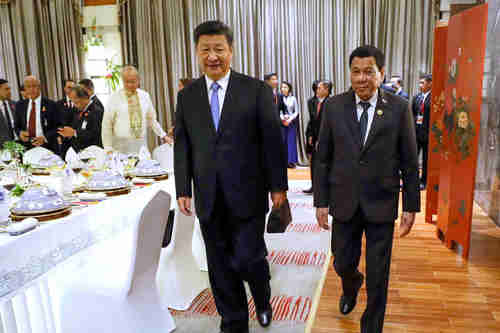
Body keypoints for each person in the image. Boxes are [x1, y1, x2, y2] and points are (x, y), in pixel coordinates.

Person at [174, 20, 287, 333]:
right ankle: (233, 321)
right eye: (205, 50)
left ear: (231, 51)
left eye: (219, 49)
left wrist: (278, 186)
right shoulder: (188, 96)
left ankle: (262, 300)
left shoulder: (256, 90)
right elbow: (182, 145)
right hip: (209, 195)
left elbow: (272, 141)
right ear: (197, 53)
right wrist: (183, 187)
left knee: (249, 259)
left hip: (248, 193)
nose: (213, 56)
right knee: (220, 265)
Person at [314, 45, 420, 333]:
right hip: (344, 201)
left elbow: (410, 161)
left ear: (381, 74)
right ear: (350, 73)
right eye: (356, 72)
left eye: (369, 72)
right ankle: (350, 284)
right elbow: (322, 158)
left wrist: (411, 205)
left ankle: (371, 327)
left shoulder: (399, 108)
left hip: (381, 202)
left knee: (378, 274)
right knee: (342, 262)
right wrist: (321, 202)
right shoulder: (334, 107)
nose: (362, 78)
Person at [101, 65, 168, 153]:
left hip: (140, 144)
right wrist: (108, 147)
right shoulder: (114, 98)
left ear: (138, 80)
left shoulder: (145, 96)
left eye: (133, 81)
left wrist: (163, 135)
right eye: (126, 82)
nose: (129, 85)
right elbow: (107, 124)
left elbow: (151, 119)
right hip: (120, 145)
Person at [15, 76, 61, 153]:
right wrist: (20, 133)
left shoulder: (51, 104)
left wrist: (45, 138)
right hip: (27, 148)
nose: (31, 89)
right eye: (28, 87)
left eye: (34, 86)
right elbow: (16, 126)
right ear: (25, 89)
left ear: (39, 87)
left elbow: (59, 127)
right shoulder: (20, 105)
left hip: (47, 147)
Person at [57, 85, 104, 154]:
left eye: (76, 102)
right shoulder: (77, 110)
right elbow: (74, 126)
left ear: (84, 97)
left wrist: (74, 133)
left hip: (91, 152)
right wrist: (67, 133)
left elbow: (96, 135)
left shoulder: (97, 111)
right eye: (73, 102)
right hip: (77, 151)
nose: (75, 105)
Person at [304, 80, 331, 194]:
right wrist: (310, 135)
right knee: (314, 163)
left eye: (320, 88)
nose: (317, 90)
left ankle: (325, 187)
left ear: (327, 90)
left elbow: (329, 123)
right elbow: (312, 120)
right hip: (313, 136)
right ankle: (314, 186)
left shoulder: (331, 102)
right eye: (317, 88)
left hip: (325, 137)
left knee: (325, 163)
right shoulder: (312, 102)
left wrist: (322, 138)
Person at [411, 74, 432, 190]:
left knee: (425, 160)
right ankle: (412, 179)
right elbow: (412, 114)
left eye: (422, 83)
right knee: (413, 157)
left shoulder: (434, 98)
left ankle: (424, 181)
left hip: (427, 134)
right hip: (416, 132)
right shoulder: (417, 97)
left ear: (430, 84)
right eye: (419, 83)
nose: (420, 85)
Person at [280, 81, 299, 168]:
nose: (283, 89)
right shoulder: (279, 98)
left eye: (285, 87)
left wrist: (290, 119)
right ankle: (283, 161)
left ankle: (291, 162)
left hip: (291, 123)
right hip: (282, 123)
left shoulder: (293, 98)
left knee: (291, 142)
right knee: (283, 142)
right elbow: (278, 110)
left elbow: (296, 111)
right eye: (282, 87)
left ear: (289, 89)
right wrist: (283, 118)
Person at [0, 79, 18, 146]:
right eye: (6, 89)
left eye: (10, 89)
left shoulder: (16, 105)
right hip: (3, 148)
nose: (9, 92)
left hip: (20, 144)